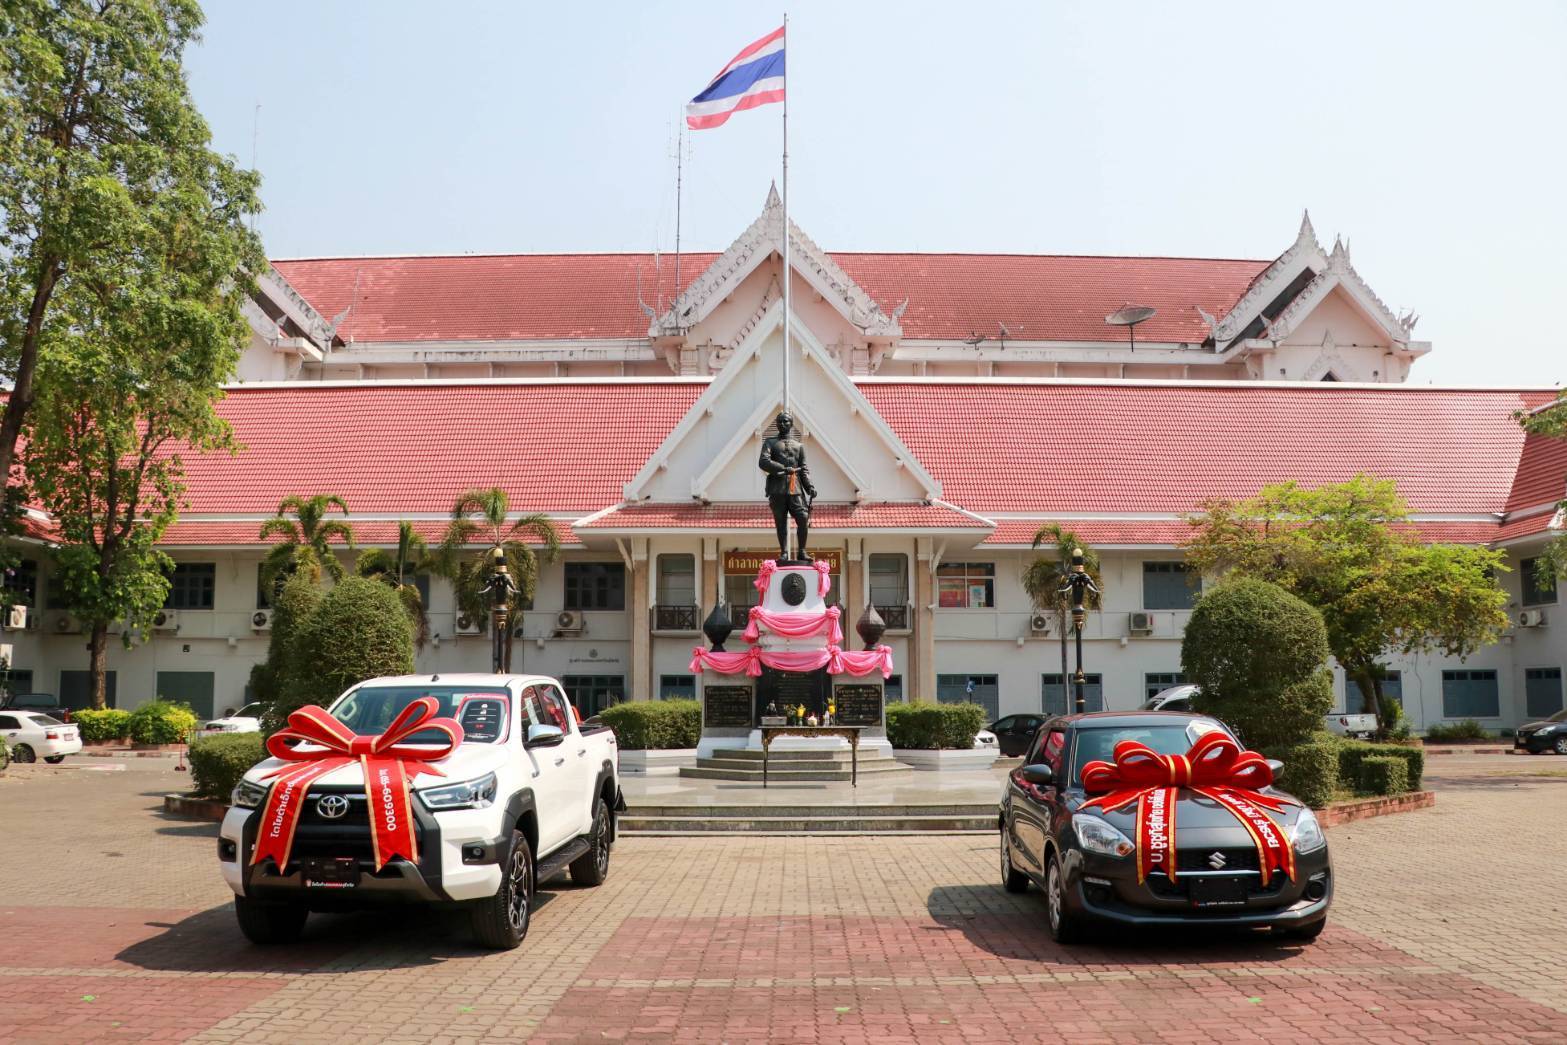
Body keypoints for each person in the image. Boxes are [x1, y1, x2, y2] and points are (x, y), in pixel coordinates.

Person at [758, 411, 816, 560]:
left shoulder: (799, 446)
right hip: (777, 489)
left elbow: (803, 469)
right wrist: (783, 468)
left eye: (786, 421)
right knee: (781, 521)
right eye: (780, 421)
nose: (782, 424)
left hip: (795, 489)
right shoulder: (770, 443)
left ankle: (802, 551)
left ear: (791, 424)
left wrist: (809, 487)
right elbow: (763, 462)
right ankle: (784, 552)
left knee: (803, 517)